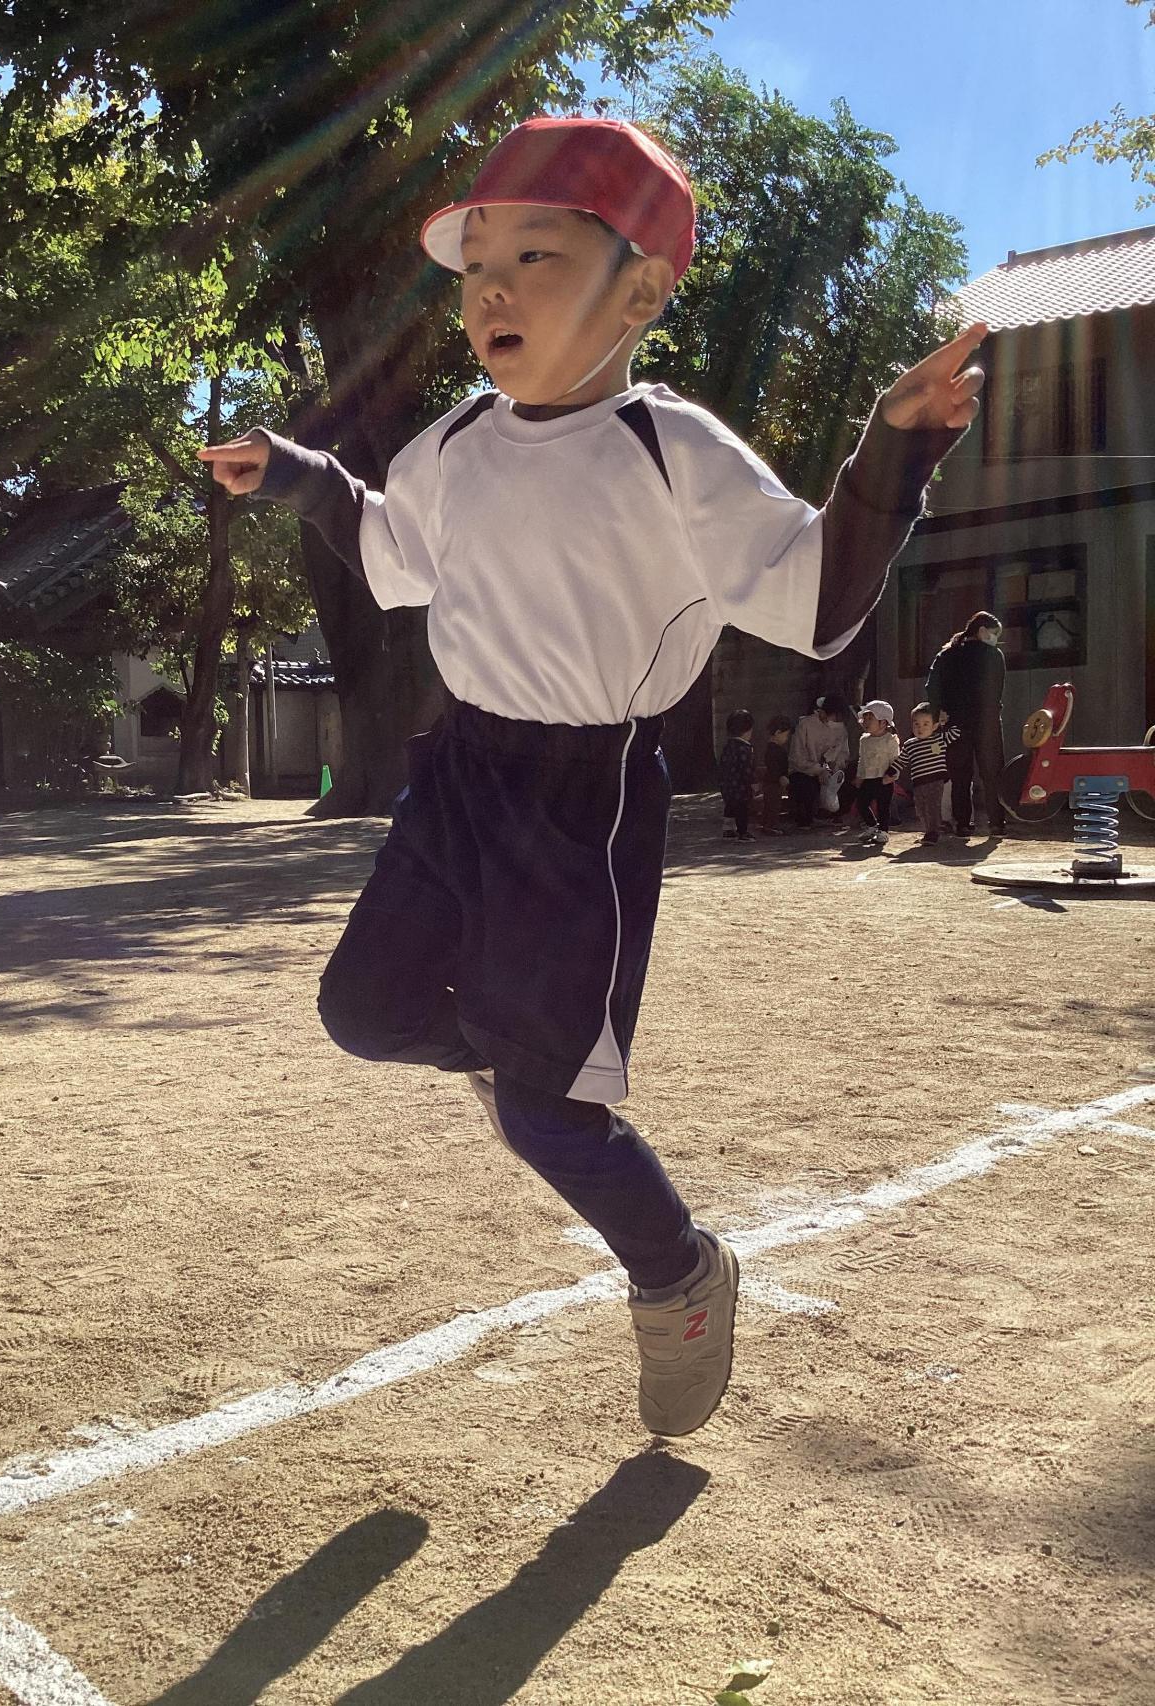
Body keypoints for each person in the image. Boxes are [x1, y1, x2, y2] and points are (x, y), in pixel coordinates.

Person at [199, 115, 985, 1437]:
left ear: (639, 293)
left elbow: (817, 602)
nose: (490, 290)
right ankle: (515, 1056)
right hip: (460, 769)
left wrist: (891, 450)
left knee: (548, 1122)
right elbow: (387, 543)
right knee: (362, 1010)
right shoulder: (453, 441)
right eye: (475, 267)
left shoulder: (673, 449)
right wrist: (293, 473)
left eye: (535, 256)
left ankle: (676, 1270)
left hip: (582, 798)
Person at [925, 610, 1006, 835]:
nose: (995, 639)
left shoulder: (947, 654)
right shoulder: (994, 655)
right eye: (994, 634)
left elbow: (932, 686)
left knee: (960, 776)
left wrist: (938, 712)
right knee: (992, 774)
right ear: (982, 631)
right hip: (987, 722)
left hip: (956, 722)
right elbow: (997, 690)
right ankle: (997, 822)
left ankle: (962, 823)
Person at [889, 702, 963, 844]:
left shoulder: (939, 739)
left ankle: (932, 833)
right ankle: (929, 830)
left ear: (934, 726)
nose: (920, 728)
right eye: (916, 724)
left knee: (932, 806)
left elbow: (956, 732)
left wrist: (944, 722)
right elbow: (901, 760)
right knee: (920, 808)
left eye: (925, 724)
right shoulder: (910, 744)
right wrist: (891, 771)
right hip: (918, 783)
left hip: (936, 781)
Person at [788, 694, 851, 828]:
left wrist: (834, 768)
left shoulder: (841, 728)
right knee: (804, 786)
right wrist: (819, 770)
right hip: (805, 771)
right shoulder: (805, 725)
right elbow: (797, 758)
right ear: (822, 712)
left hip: (831, 773)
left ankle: (834, 814)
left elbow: (843, 754)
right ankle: (806, 817)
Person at [853, 699, 899, 847]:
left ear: (883, 722)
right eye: (865, 718)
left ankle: (883, 831)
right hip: (868, 778)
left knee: (883, 806)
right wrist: (860, 776)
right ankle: (872, 825)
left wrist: (892, 775)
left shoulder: (890, 740)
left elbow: (896, 760)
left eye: (870, 718)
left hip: (884, 779)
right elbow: (862, 760)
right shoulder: (864, 740)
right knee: (861, 803)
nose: (866, 722)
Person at [718, 709, 756, 840]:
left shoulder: (728, 746)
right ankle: (742, 832)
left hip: (726, 783)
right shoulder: (745, 749)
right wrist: (753, 783)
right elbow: (747, 768)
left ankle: (727, 829)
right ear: (748, 730)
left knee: (729, 806)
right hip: (741, 786)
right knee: (742, 809)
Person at [761, 715, 793, 833]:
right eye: (786, 735)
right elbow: (773, 766)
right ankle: (770, 825)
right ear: (778, 732)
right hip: (773, 782)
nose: (786, 738)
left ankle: (769, 824)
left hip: (775, 781)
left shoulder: (776, 749)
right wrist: (780, 776)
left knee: (774, 803)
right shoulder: (773, 750)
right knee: (772, 804)